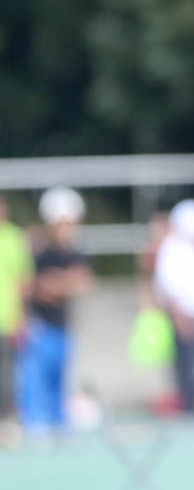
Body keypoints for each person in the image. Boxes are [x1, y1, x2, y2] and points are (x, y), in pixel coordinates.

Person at [17, 187, 93, 439]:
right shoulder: (41, 254)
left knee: (61, 377)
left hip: (64, 326)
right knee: (36, 377)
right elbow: (37, 287)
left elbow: (83, 282)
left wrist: (57, 282)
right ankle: (36, 423)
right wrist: (64, 282)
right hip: (41, 326)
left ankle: (59, 422)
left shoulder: (76, 254)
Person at [154, 199, 194, 415]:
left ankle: (193, 403)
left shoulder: (190, 249)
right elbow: (169, 285)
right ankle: (188, 406)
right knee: (186, 364)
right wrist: (179, 313)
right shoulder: (174, 248)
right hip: (183, 315)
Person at [0, 195, 33, 444]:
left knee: (7, 376)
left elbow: (24, 280)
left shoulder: (14, 238)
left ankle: (6, 422)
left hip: (7, 319)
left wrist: (22, 316)